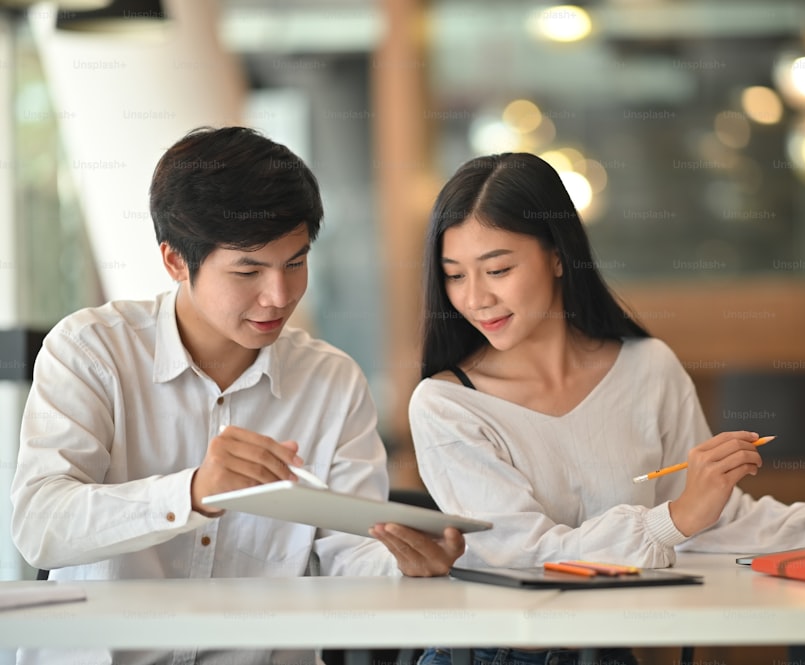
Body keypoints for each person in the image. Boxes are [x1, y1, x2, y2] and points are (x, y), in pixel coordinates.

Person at [408, 152, 805, 665]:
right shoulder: (447, 404)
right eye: (455, 275)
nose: (474, 298)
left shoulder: (647, 367)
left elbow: (713, 517)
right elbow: (528, 556)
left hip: (608, 653)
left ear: (558, 255)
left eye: (496, 269)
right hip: (487, 654)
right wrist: (675, 518)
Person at [10, 126, 464, 665]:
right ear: (176, 261)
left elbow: (351, 553)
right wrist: (194, 493)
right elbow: (40, 526)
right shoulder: (92, 350)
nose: (279, 296)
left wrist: (405, 564)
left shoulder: (331, 381)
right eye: (248, 270)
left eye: (295, 263)